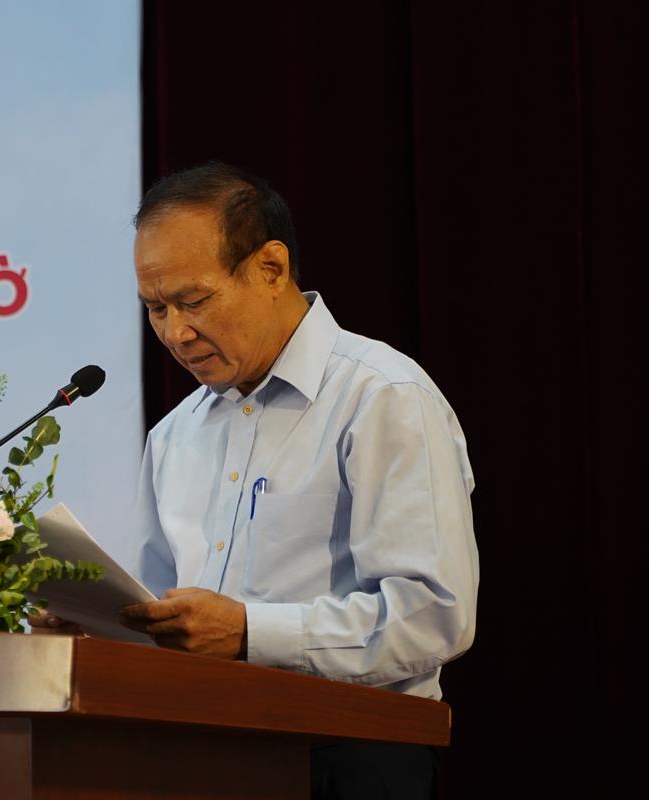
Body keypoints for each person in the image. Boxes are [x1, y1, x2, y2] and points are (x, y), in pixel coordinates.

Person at [115, 162, 479, 799]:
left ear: (270, 268)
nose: (175, 332)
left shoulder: (382, 396)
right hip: (199, 757)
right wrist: (93, 629)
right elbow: (163, 619)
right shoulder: (174, 435)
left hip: (349, 757)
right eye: (156, 308)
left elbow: (433, 617)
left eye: (193, 301)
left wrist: (249, 633)